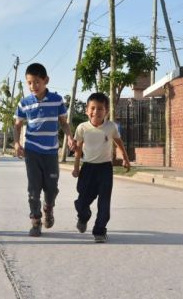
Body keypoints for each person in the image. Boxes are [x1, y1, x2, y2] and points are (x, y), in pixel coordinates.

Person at [14, 63, 75, 237]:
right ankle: (35, 220)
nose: (33, 86)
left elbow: (63, 122)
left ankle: (48, 208)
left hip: (50, 153)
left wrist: (70, 137)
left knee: (52, 188)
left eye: (37, 82)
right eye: (29, 83)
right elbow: (18, 125)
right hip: (32, 151)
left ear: (46, 80)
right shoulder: (24, 103)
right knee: (33, 189)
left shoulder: (57, 100)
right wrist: (17, 143)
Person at [72, 92, 131, 243]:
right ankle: (84, 216)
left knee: (104, 202)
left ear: (106, 111)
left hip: (105, 169)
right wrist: (76, 167)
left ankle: (100, 230)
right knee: (82, 201)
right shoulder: (82, 128)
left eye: (100, 109)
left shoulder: (111, 127)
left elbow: (119, 142)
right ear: (87, 110)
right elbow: (78, 150)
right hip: (87, 169)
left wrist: (125, 157)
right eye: (93, 108)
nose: (96, 112)